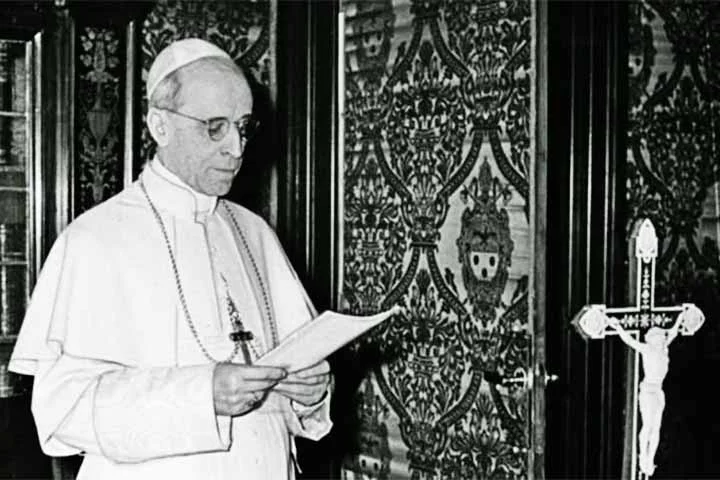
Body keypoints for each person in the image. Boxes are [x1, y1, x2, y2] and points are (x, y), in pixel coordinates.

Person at [9, 38, 332, 479]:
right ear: (160, 125)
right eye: (214, 127)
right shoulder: (94, 239)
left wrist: (310, 392)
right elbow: (63, 411)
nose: (236, 148)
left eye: (243, 126)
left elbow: (293, 385)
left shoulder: (255, 232)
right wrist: (201, 396)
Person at [607, 317, 681, 477]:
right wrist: (618, 326)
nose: (662, 339)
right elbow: (629, 340)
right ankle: (643, 458)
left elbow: (674, 332)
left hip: (659, 392)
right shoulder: (647, 349)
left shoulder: (664, 349)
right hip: (648, 391)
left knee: (656, 428)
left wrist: (682, 316)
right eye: (659, 337)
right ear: (652, 339)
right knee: (647, 426)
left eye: (662, 337)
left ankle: (650, 460)